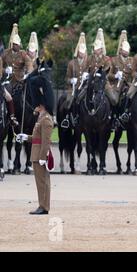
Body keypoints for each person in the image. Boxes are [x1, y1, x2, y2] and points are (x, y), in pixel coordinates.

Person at [16, 75, 54, 215]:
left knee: (43, 182)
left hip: (40, 155)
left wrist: (43, 156)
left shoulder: (46, 120)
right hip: (36, 153)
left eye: (37, 104)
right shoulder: (41, 118)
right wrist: (26, 137)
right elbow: (37, 138)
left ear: (41, 105)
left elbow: (46, 141)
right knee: (40, 182)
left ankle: (44, 206)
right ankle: (42, 205)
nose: (35, 106)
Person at [62, 32, 89, 127]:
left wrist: (88, 76)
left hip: (85, 88)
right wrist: (71, 80)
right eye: (80, 52)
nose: (82, 53)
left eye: (84, 51)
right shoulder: (71, 63)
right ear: (78, 52)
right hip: (73, 88)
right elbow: (66, 78)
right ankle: (66, 118)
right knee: (69, 100)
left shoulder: (89, 62)